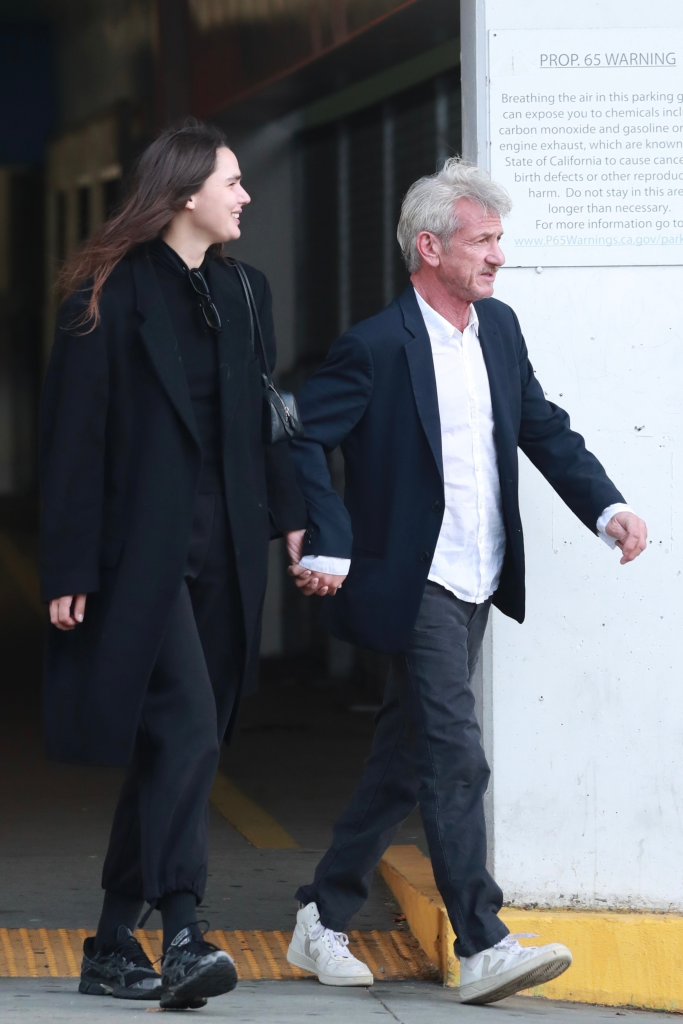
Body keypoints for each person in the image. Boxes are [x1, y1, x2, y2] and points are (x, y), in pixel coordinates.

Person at [284, 158, 647, 1004]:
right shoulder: (375, 345)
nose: (497, 256)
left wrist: (607, 507)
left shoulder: (500, 330)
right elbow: (300, 435)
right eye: (482, 240)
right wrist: (324, 535)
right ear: (429, 247)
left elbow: (541, 428)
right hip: (413, 579)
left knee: (405, 756)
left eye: (498, 240)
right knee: (455, 754)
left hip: (477, 575)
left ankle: (321, 913)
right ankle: (482, 942)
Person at [40, 119, 306, 1009]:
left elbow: (266, 417)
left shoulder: (245, 292)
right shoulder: (107, 294)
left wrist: (294, 516)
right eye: (232, 182)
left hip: (224, 544)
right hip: (137, 556)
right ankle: (184, 933)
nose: (245, 196)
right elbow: (73, 439)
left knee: (180, 742)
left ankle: (112, 944)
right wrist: (68, 566)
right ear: (187, 192)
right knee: (187, 727)